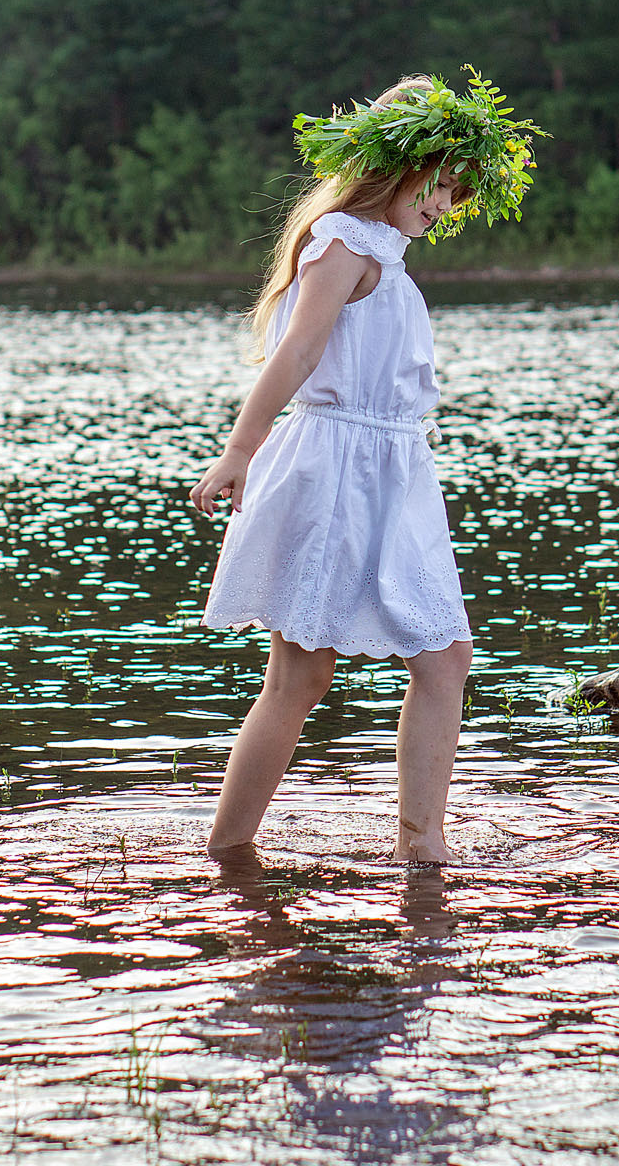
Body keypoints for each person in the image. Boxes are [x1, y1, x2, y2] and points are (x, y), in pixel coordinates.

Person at [188, 69, 542, 863]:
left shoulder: (386, 249)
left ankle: (424, 849)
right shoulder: (345, 242)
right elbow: (299, 351)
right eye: (436, 184)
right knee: (302, 675)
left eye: (457, 194)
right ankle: (228, 846)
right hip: (334, 468)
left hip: (393, 468)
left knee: (446, 656)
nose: (443, 205)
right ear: (393, 161)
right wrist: (240, 449)